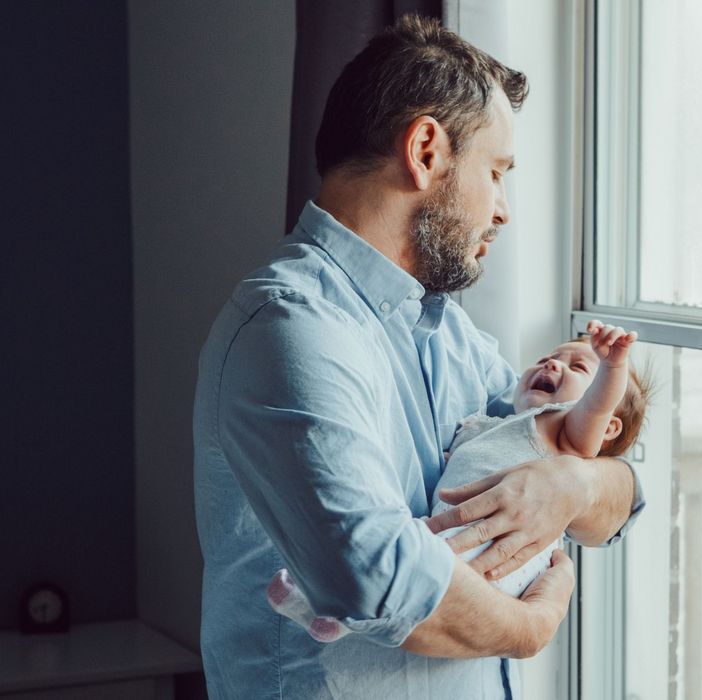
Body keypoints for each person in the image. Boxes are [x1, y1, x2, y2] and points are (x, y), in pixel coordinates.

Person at [192, 15, 645, 699]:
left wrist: (572, 486)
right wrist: (534, 624)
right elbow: (380, 580)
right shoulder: (289, 330)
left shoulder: (445, 333)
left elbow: (622, 492)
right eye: (495, 173)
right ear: (426, 150)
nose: (503, 211)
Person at [267, 321, 655, 641]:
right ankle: (330, 611)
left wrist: (612, 367)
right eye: (548, 358)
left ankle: (338, 611)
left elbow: (598, 406)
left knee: (411, 567)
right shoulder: (504, 421)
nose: (553, 365)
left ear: (607, 430)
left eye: (577, 368)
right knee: (407, 559)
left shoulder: (566, 432)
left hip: (496, 545)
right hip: (462, 529)